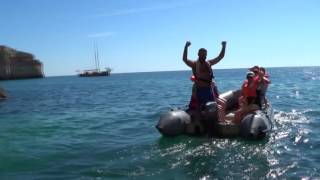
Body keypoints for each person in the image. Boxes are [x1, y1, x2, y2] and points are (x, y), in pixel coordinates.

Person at [183, 41, 227, 109]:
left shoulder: (209, 63)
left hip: (209, 89)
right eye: (202, 54)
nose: (204, 56)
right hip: (200, 90)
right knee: (200, 108)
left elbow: (220, 57)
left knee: (213, 107)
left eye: (205, 54)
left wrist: (224, 46)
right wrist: (186, 46)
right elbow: (185, 59)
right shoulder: (194, 64)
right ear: (198, 54)